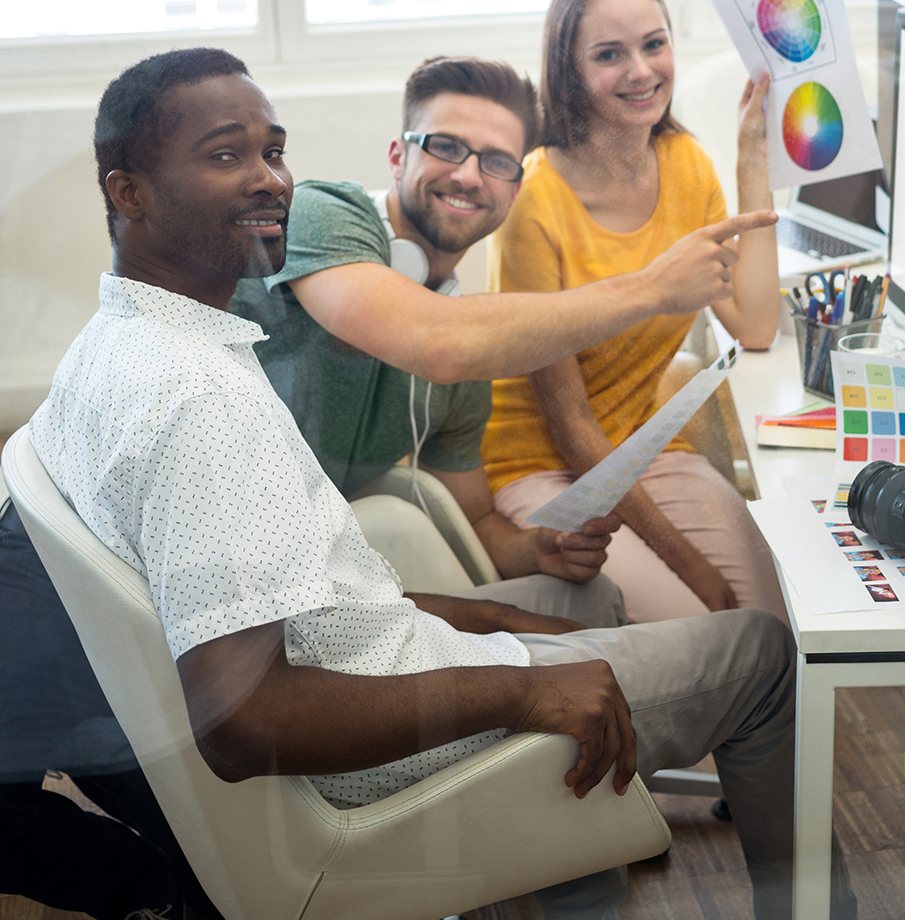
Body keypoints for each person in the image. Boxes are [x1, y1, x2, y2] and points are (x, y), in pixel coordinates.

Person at [28, 47, 905, 920]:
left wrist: (499, 615)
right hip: (369, 756)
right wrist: (518, 692)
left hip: (366, 653)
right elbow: (245, 720)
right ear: (129, 190)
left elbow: (332, 589)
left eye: (274, 151)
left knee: (581, 597)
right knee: (766, 658)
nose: (269, 177)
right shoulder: (204, 394)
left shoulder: (129, 346)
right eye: (229, 156)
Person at [230, 55, 631, 601]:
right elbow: (433, 339)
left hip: (322, 570)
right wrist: (648, 289)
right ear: (398, 156)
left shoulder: (463, 341)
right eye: (445, 147)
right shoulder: (321, 213)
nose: (468, 174)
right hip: (227, 565)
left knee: (598, 597)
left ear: (514, 190)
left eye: (496, 162)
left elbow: (480, 526)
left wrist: (538, 549)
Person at [483, 0, 786, 623]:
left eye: (654, 44)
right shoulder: (534, 200)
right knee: (705, 631)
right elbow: (569, 425)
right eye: (609, 55)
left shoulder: (685, 163)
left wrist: (753, 160)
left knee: (776, 626)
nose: (642, 71)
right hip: (545, 467)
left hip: (643, 449)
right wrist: (690, 563)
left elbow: (756, 325)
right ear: (569, 73)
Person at [0, 492, 223, 920]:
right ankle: (139, 883)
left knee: (232, 909)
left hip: (98, 579)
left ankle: (68, 738)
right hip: (48, 556)